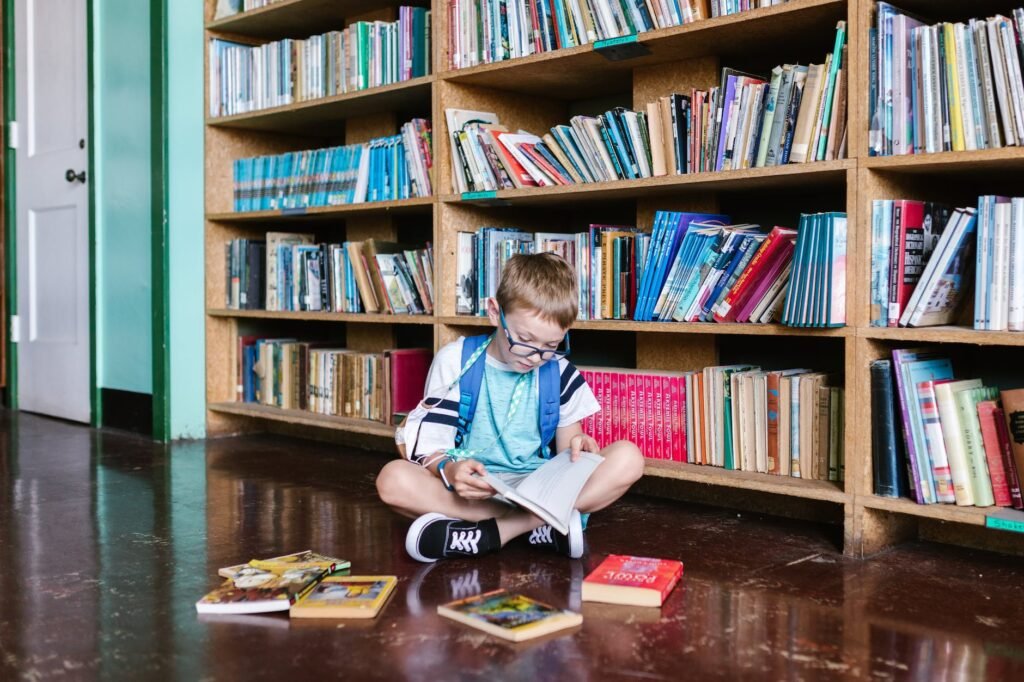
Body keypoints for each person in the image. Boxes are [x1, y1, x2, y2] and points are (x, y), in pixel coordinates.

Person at [376, 252, 644, 562]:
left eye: (551, 345)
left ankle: (494, 532)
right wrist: (450, 470)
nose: (534, 356)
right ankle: (543, 526)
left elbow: (567, 451)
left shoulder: (559, 372)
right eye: (524, 339)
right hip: (478, 488)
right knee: (392, 479)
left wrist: (579, 446)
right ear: (494, 312)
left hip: (537, 488)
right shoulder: (455, 360)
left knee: (629, 458)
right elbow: (432, 446)